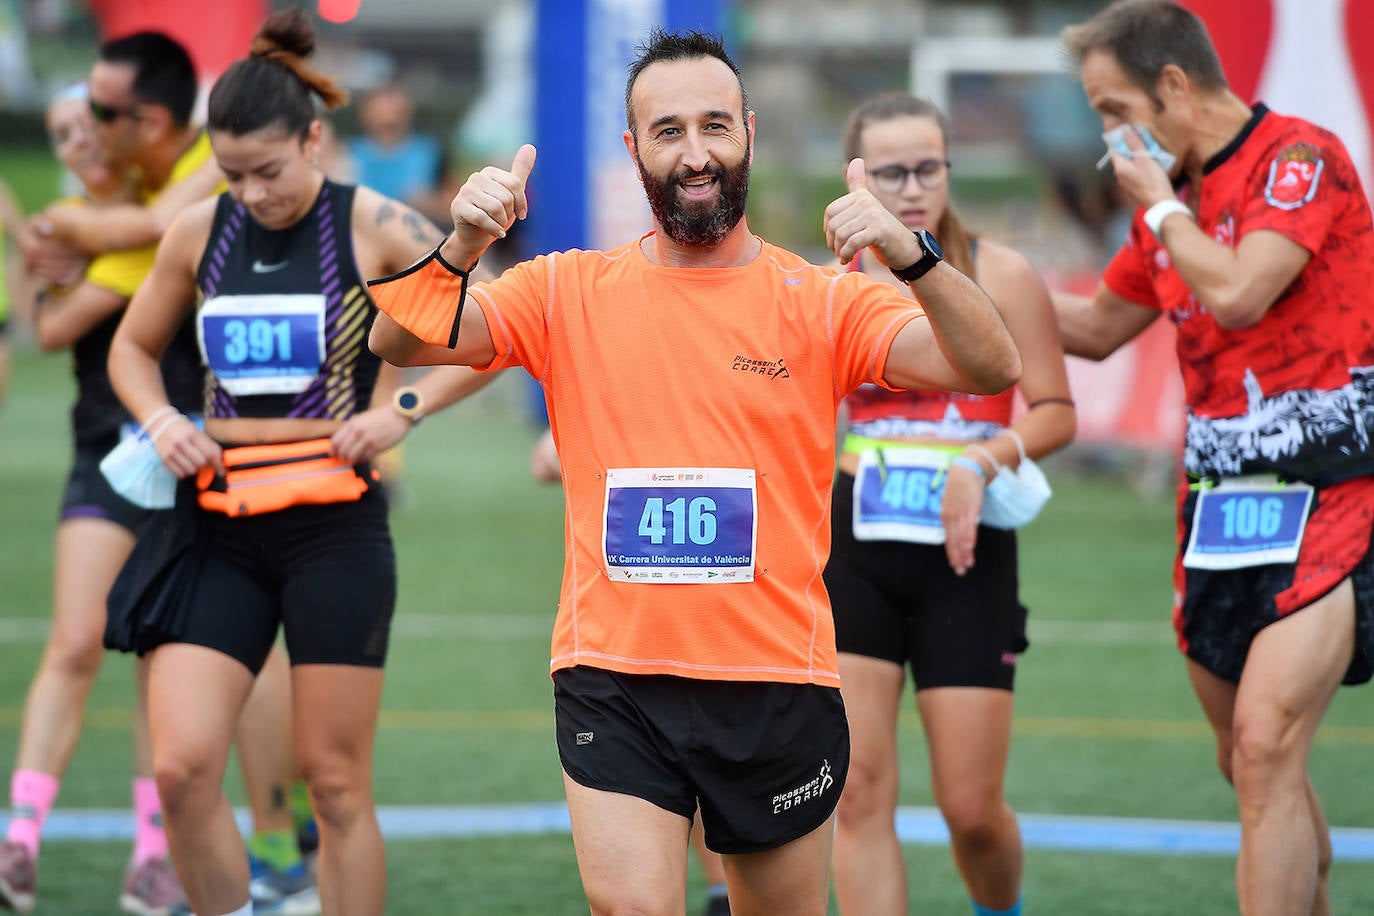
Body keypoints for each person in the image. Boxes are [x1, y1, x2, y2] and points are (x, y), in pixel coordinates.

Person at [367, 27, 1020, 915]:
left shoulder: (824, 299)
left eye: (715, 125)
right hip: (614, 672)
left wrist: (912, 254)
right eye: (667, 131)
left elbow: (990, 365)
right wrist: (462, 242)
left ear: (747, 131)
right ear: (633, 149)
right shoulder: (564, 290)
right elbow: (399, 340)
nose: (696, 152)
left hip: (776, 679)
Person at [105, 11, 501, 916]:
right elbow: (132, 352)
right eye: (232, 173)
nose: (251, 193)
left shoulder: (371, 222)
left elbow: (499, 331)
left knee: (335, 786)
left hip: (334, 531)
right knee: (181, 768)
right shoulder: (196, 232)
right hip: (214, 523)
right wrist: (163, 419)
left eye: (269, 171)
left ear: (315, 139)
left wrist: (399, 409)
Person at [1055, 3, 1374, 914]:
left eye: (1113, 107)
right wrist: (939, 266)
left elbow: (1238, 293)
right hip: (1218, 513)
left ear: (1173, 86)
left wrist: (1155, 205)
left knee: (1269, 745)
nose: (1109, 134)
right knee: (1247, 760)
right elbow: (1092, 328)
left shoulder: (1297, 160)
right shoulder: (1175, 205)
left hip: (1332, 501)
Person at [825, 92, 1075, 916]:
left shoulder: (999, 272)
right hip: (855, 545)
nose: (911, 187)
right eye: (890, 171)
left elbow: (1054, 409)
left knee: (970, 813)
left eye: (928, 167)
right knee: (855, 794)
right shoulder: (832, 279)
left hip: (965, 555)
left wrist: (985, 456)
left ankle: (999, 908)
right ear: (857, 175)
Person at [0, 78, 208, 916]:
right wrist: (34, 262)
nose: (76, 143)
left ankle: (153, 856)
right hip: (104, 449)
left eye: (87, 124)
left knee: (161, 657)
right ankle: (19, 839)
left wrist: (69, 243)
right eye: (59, 134)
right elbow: (43, 325)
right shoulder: (72, 221)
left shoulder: (173, 201)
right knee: (77, 641)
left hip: (190, 447)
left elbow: (125, 255)